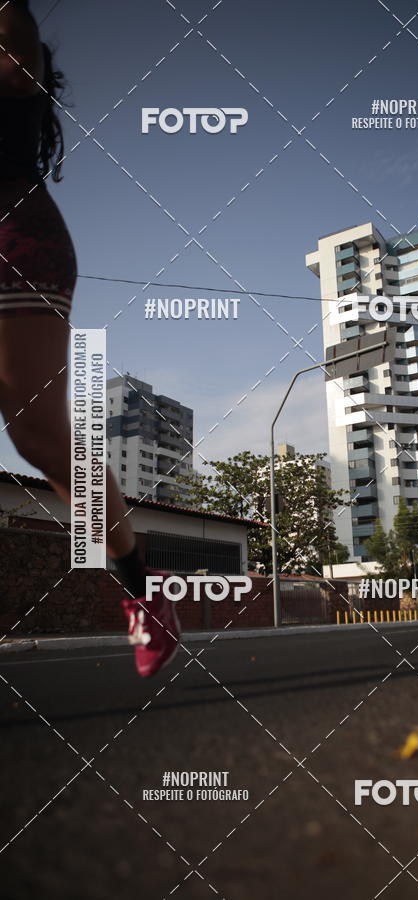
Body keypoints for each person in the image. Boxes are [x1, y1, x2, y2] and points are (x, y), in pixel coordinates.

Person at [0, 1, 180, 676]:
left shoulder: (12, 65)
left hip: (16, 246)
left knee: (38, 438)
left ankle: (143, 589)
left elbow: (17, 44)